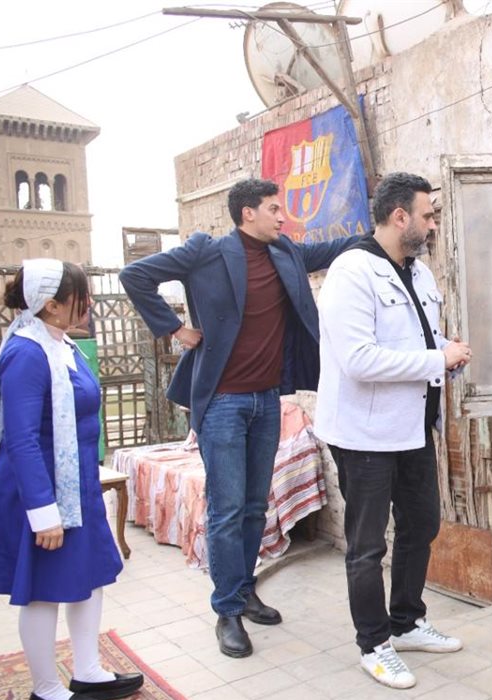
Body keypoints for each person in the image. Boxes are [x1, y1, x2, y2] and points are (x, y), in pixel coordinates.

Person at [121, 178, 359, 659]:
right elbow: (135, 276)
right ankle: (226, 611)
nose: (282, 217)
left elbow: (332, 249)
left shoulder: (285, 252)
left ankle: (245, 590)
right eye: (274, 209)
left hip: (266, 401)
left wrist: (380, 234)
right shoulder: (206, 252)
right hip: (223, 403)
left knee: (253, 507)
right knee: (227, 509)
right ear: (248, 213)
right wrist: (176, 329)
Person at [316, 172, 472, 689]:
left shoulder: (419, 273)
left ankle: (406, 622)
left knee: (421, 524)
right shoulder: (351, 272)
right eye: (428, 215)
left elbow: (418, 339)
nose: (433, 225)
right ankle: (374, 643)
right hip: (363, 434)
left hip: (413, 428)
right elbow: (359, 359)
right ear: (399, 216)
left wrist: (447, 352)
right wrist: (435, 359)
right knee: (366, 546)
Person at [0, 259, 141, 700]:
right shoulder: (26, 353)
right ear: (51, 304)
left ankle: (88, 671)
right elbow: (22, 439)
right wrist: (43, 513)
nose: (89, 303)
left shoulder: (63, 345)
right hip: (40, 490)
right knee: (43, 590)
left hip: (75, 484)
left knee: (88, 576)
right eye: (81, 296)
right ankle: (45, 691)